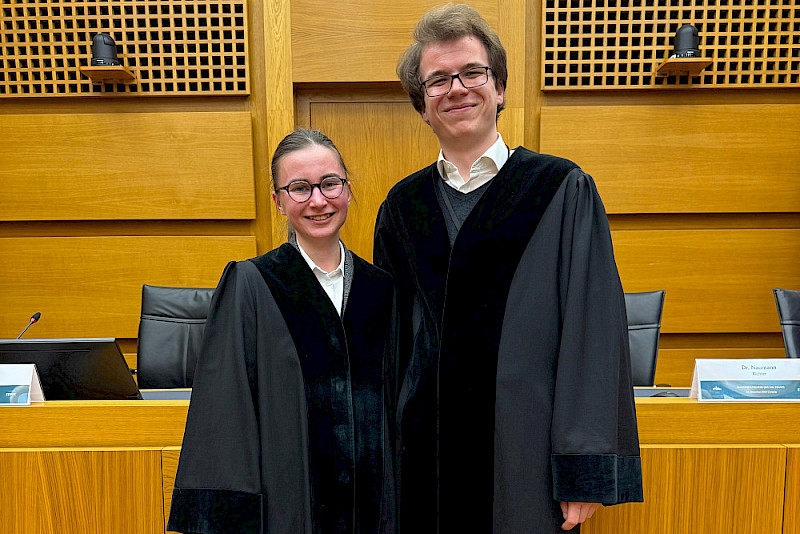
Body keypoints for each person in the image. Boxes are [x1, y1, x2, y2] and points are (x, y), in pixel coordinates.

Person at [373, 4, 643, 533]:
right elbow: (390, 346)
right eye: (437, 80)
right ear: (422, 106)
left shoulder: (560, 189)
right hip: (425, 458)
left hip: (524, 457)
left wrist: (583, 471)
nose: (457, 88)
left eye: (472, 72)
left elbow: (592, 330)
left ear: (498, 88)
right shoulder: (402, 209)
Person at [168, 129, 396, 534]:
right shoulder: (251, 285)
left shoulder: (382, 291)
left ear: (347, 188)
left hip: (375, 511)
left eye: (330, 184)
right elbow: (223, 415)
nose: (318, 201)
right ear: (278, 201)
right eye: (299, 188)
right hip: (287, 509)